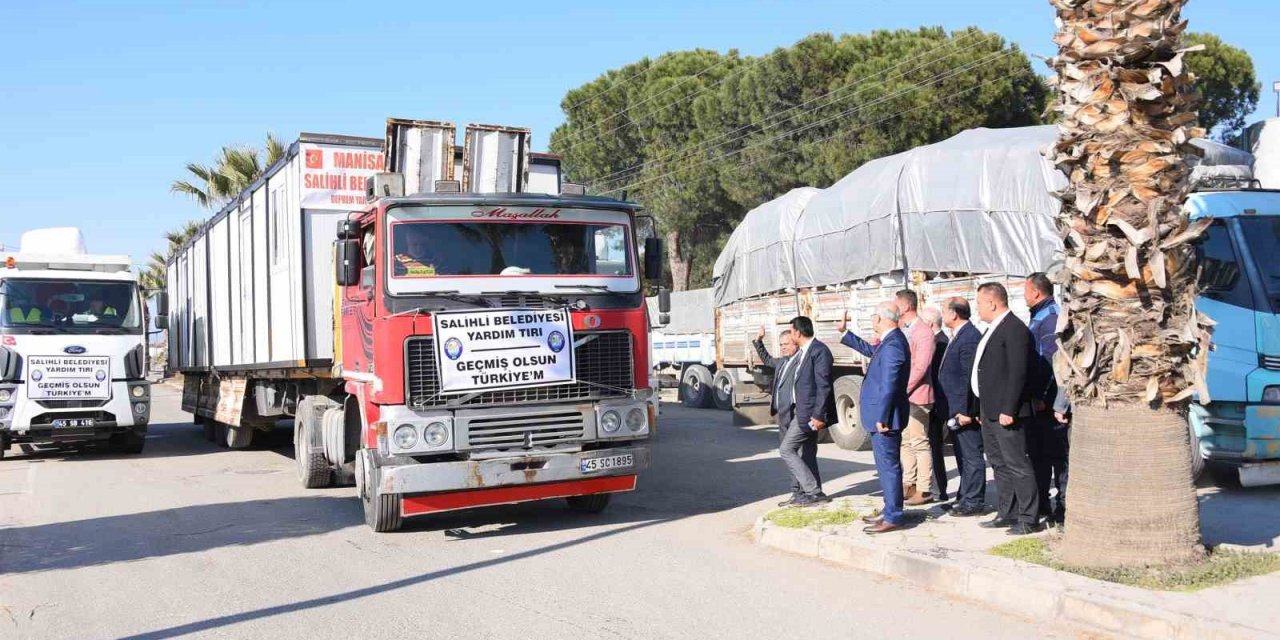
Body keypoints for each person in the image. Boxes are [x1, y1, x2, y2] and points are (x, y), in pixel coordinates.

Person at [971, 282, 1043, 535]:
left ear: (992, 302)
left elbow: (1018, 372)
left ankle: (1029, 517)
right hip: (989, 410)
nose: (976, 308)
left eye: (979, 302)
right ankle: (1007, 511)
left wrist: (1008, 408)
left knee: (1017, 464)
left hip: (1006, 412)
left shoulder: (1014, 329)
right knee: (998, 463)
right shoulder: (992, 329)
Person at [838, 303, 911, 534]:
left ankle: (894, 516)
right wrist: (845, 334)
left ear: (880, 318)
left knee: (889, 467)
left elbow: (890, 384)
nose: (872, 321)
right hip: (883, 416)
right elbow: (872, 352)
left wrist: (882, 416)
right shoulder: (890, 341)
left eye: (873, 317)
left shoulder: (894, 344)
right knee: (885, 466)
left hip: (886, 419)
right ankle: (889, 509)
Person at [771, 316, 836, 506]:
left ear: (798, 332)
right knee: (806, 453)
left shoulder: (819, 351)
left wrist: (818, 415)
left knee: (786, 449)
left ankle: (813, 492)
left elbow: (823, 386)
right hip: (799, 411)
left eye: (791, 332)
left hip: (808, 414)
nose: (790, 337)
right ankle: (804, 495)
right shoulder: (804, 352)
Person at [1024, 273, 1069, 525]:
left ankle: (1062, 507)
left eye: (1026, 290)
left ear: (1036, 292)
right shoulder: (1039, 316)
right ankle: (1042, 502)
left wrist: (1044, 397)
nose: (1024, 296)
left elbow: (1054, 364)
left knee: (1057, 458)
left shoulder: (1050, 318)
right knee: (1039, 456)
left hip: (1050, 404)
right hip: (1039, 404)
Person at [937, 297, 986, 517]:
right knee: (962, 456)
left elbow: (970, 378)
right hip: (955, 408)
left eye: (944, 311)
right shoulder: (958, 335)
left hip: (964, 411)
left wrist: (967, 412)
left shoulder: (969, 337)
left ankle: (973, 502)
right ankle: (964, 496)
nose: (942, 315)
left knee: (972, 456)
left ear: (954, 314)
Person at [753, 327, 805, 506]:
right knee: (787, 455)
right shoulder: (783, 362)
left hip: (795, 415)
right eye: (781, 345)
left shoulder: (801, 362)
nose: (783, 348)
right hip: (782, 416)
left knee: (794, 453)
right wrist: (759, 341)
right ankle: (795, 493)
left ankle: (804, 493)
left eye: (787, 344)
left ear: (796, 344)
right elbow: (766, 359)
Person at [894, 290, 936, 505]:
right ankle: (908, 484)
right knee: (905, 441)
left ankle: (924, 488)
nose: (894, 309)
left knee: (919, 442)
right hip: (904, 396)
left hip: (918, 395)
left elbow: (921, 366)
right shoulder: (902, 330)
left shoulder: (923, 332)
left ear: (906, 306)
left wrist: (902, 388)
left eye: (896, 305)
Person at [920, 306, 951, 503]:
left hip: (937, 404)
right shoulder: (942, 340)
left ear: (930, 324)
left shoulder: (938, 343)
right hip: (939, 403)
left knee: (934, 447)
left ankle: (939, 490)